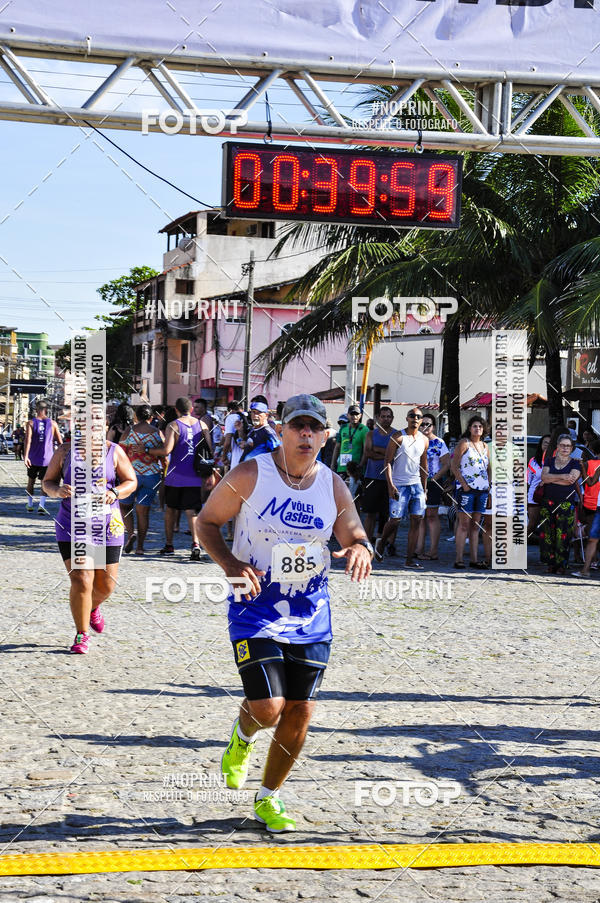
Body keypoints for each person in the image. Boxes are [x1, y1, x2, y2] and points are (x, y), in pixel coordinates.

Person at [197, 393, 372, 832]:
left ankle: (268, 797)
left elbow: (354, 533)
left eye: (315, 427)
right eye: (298, 426)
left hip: (311, 613)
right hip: (254, 606)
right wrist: (230, 564)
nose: (306, 434)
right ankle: (243, 737)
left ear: (326, 436)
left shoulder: (332, 484)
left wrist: (361, 548)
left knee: (300, 711)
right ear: (282, 430)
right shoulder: (251, 474)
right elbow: (205, 523)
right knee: (269, 707)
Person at [42, 430, 137, 653]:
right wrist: (57, 490)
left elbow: (131, 481)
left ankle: (92, 607)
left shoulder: (113, 451)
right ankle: (82, 633)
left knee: (105, 586)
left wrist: (115, 492)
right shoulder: (65, 451)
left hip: (107, 525)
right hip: (73, 525)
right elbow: (47, 482)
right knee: (82, 579)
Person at [140, 396, 212, 559]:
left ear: (176, 410)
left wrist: (148, 450)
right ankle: (196, 544)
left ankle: (169, 545)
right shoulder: (203, 425)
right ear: (191, 409)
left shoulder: (173, 425)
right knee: (192, 511)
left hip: (175, 475)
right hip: (195, 475)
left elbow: (166, 450)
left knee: (170, 509)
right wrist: (209, 474)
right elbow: (209, 450)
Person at [375, 409, 428, 567]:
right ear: (407, 418)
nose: (415, 418)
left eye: (418, 417)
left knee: (416, 520)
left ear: (421, 420)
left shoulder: (424, 440)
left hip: (417, 485)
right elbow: (387, 462)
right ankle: (381, 542)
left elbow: (424, 466)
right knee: (395, 520)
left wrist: (425, 489)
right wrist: (391, 485)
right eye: (412, 416)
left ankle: (409, 559)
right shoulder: (398, 437)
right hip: (399, 484)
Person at [119, 404, 165, 554]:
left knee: (124, 506)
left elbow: (119, 453)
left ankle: (131, 533)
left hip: (131, 476)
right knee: (143, 512)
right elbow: (164, 453)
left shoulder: (129, 431)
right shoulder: (157, 433)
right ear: (151, 417)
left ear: (136, 417)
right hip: (152, 476)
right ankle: (140, 547)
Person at [451, 416, 491, 569]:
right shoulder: (464, 443)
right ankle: (459, 559)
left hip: (482, 490)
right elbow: (454, 466)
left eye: (480, 426)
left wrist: (488, 485)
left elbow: (488, 468)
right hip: (467, 490)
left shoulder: (485, 446)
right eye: (474, 426)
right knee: (464, 524)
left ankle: (474, 559)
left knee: (475, 526)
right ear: (469, 428)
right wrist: (464, 484)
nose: (477, 429)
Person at [538, 434, 582, 574]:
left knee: (563, 534)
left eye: (568, 446)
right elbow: (544, 477)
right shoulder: (549, 461)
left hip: (566, 503)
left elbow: (571, 480)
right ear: (557, 446)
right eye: (562, 445)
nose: (565, 448)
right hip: (548, 502)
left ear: (572, 448)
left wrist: (551, 479)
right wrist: (562, 476)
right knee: (547, 533)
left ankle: (561, 565)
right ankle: (550, 564)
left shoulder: (575, 463)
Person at [415, 414, 450, 561]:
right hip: (416, 481)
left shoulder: (439, 442)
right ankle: (418, 549)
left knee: (431, 516)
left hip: (433, 482)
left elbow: (447, 464)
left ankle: (433, 551)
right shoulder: (414, 440)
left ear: (433, 427)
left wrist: (434, 479)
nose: (425, 427)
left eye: (428, 424)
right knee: (419, 516)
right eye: (422, 424)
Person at [361, 407, 394, 543]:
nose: (386, 419)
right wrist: (387, 454)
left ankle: (385, 543)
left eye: (388, 416)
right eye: (383, 416)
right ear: (378, 418)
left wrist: (378, 450)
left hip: (390, 479)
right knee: (370, 513)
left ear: (392, 418)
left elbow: (396, 456)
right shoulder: (370, 434)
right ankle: (366, 542)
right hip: (372, 477)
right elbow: (368, 453)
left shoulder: (397, 435)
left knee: (388, 514)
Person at [23, 400, 63, 513]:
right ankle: (42, 505)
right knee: (44, 483)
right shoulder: (53, 424)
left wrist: (26, 456)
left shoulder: (31, 423)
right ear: (46, 410)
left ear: (36, 410)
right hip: (48, 459)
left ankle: (30, 504)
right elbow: (60, 443)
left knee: (30, 482)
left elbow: (28, 440)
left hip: (33, 458)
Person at [573, 446, 600, 577]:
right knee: (592, 538)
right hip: (598, 507)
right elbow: (590, 482)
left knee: (593, 538)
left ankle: (587, 569)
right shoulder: (599, 467)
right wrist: (583, 468)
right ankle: (585, 570)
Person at [331, 405, 369, 480]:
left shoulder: (364, 429)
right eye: (352, 414)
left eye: (356, 414)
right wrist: (333, 464)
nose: (354, 416)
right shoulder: (343, 428)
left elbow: (366, 450)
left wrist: (360, 465)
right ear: (348, 415)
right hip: (342, 467)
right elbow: (337, 447)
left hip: (356, 468)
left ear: (360, 415)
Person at [527, 434, 551, 538]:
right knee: (532, 524)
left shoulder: (556, 460)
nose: (547, 445)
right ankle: (518, 544)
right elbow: (528, 481)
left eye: (550, 443)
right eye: (545, 443)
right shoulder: (533, 461)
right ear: (541, 445)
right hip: (535, 496)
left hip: (551, 496)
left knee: (548, 526)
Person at [223, 400, 244, 473]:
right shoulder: (248, 416)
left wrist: (224, 456)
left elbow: (227, 442)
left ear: (230, 410)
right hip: (252, 460)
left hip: (238, 460)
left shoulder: (231, 417)